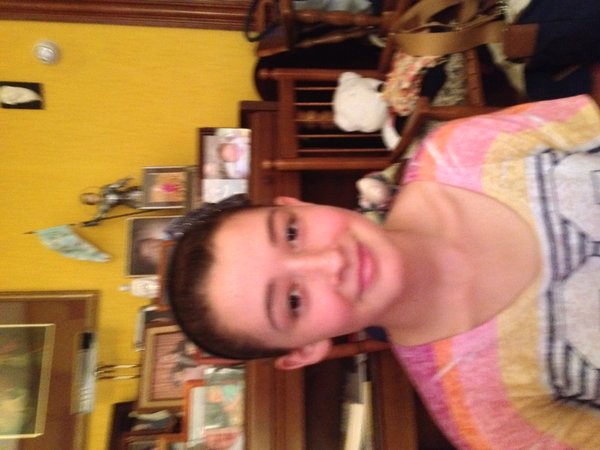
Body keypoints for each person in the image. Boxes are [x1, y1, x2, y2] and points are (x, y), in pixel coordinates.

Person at [166, 94, 600, 449]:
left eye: (292, 232)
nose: (331, 261)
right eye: (293, 301)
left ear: (297, 205)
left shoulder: (462, 150)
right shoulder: (484, 412)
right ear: (306, 349)